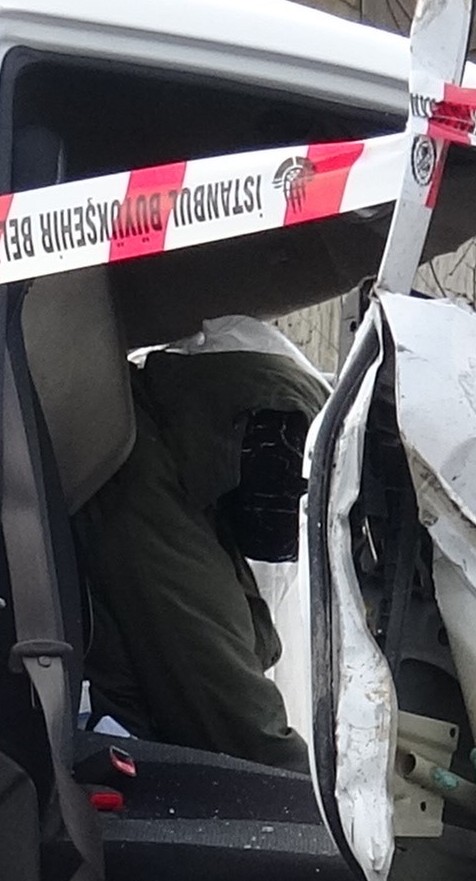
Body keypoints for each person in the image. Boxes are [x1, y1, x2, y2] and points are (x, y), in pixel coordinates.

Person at [73, 319, 323, 768]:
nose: (291, 497)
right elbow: (235, 722)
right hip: (134, 759)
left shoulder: (182, 462)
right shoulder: (145, 489)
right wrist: (336, 815)